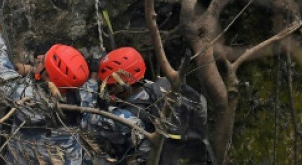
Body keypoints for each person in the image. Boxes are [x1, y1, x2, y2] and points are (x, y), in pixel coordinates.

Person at [0, 9, 92, 164]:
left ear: (48, 76)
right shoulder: (84, 96)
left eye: (44, 61)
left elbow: (0, 70)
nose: (39, 57)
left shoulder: (28, 98)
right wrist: (31, 70)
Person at [80, 47, 211, 164]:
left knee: (88, 153)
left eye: (110, 85)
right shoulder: (161, 87)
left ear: (121, 86)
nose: (108, 89)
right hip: (190, 155)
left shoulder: (124, 118)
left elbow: (85, 121)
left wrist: (92, 79)